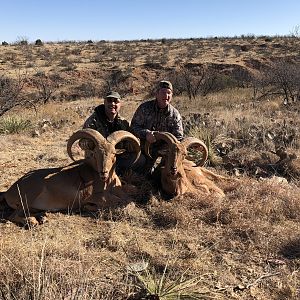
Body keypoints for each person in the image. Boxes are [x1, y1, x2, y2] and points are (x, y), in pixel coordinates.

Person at [130, 80, 184, 173]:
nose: (166, 96)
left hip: (165, 152)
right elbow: (134, 126)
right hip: (144, 149)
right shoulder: (144, 108)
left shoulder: (175, 114)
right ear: (157, 93)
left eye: (169, 93)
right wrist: (146, 134)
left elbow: (179, 137)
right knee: (139, 172)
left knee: (167, 172)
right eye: (163, 92)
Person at [82, 91, 131, 175]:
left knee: (141, 160)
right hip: (97, 158)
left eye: (116, 101)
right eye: (109, 101)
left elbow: (130, 141)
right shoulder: (93, 121)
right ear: (104, 102)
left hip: (116, 156)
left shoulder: (124, 122)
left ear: (120, 104)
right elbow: (82, 142)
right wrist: (91, 144)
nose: (112, 103)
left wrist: (131, 145)